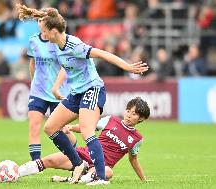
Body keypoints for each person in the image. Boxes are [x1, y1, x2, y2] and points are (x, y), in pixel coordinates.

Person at [17, 4, 149, 185]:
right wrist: (56, 87)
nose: (43, 36)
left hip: (93, 89)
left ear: (54, 31)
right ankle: (78, 164)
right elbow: (67, 66)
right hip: (77, 92)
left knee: (87, 130)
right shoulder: (56, 45)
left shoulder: (75, 45)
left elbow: (102, 53)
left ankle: (102, 178)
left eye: (45, 32)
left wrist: (126, 66)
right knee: (50, 127)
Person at [14, 97, 150, 185]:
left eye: (134, 114)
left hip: (100, 166)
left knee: (108, 172)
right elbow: (87, 127)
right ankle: (14, 173)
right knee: (48, 161)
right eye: (128, 111)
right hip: (83, 155)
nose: (129, 115)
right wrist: (71, 127)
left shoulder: (137, 139)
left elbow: (133, 160)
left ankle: (75, 178)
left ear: (141, 119)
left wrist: (143, 180)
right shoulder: (111, 120)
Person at [24, 10, 69, 161]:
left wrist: (58, 86)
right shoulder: (33, 41)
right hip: (38, 92)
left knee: (59, 131)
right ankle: (35, 163)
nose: (39, 23)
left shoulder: (57, 41)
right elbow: (32, 63)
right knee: (34, 127)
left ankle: (75, 154)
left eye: (42, 20)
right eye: (37, 20)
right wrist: (33, 83)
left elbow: (65, 66)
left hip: (58, 93)